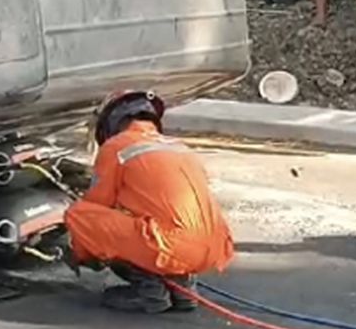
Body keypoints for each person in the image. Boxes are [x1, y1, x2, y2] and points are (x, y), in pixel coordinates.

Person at [63, 90, 235, 313]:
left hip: (170, 247)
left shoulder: (116, 147)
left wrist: (83, 254)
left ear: (112, 120)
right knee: (159, 223)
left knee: (79, 214)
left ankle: (150, 292)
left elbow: (96, 205)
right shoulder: (179, 147)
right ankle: (183, 288)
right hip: (212, 247)